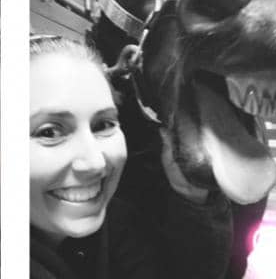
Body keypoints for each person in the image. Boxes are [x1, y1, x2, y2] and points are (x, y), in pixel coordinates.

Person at [30, 35, 232, 279]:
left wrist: (192, 195)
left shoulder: (116, 223)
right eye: (49, 132)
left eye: (103, 125)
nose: (95, 162)